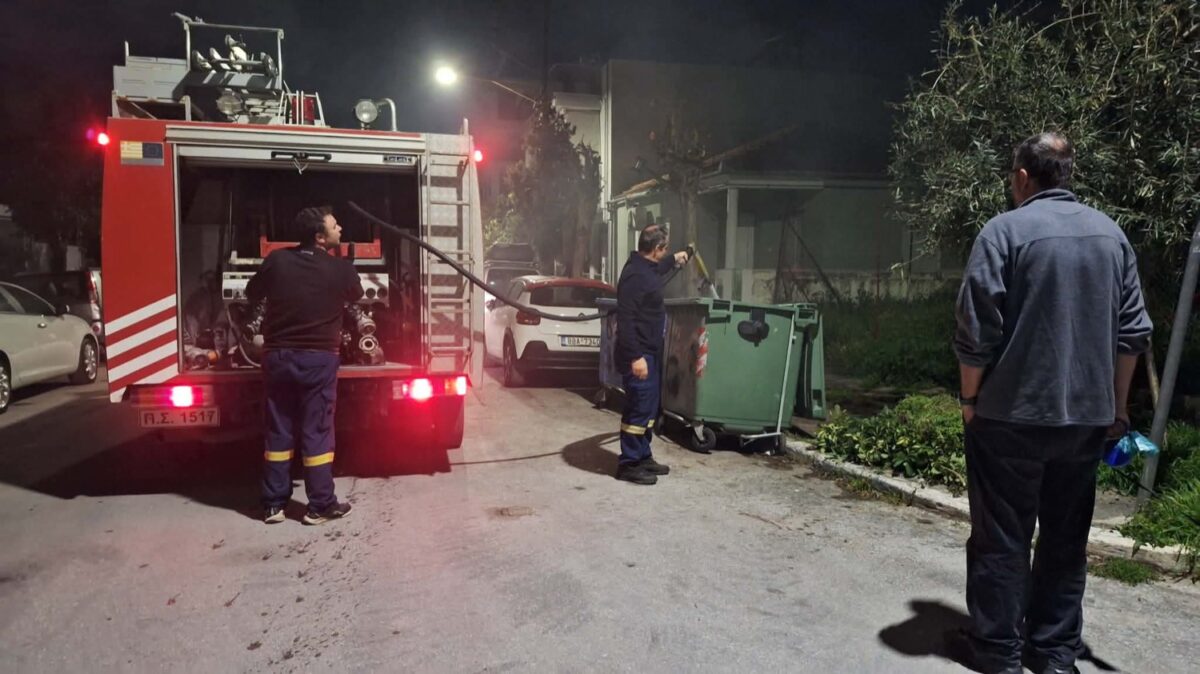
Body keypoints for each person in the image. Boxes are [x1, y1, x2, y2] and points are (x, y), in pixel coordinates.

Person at [952, 132, 1152, 674]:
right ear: (1067, 175)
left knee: (1001, 538)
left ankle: (998, 652)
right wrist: (1117, 409)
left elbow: (976, 330)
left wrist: (970, 398)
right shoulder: (1110, 236)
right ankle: (1054, 654)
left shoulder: (1003, 232)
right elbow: (1133, 333)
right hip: (1085, 421)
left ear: (1022, 177)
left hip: (1008, 418)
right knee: (1065, 541)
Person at [246, 206, 364, 525]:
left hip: (278, 357)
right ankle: (320, 505)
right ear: (320, 237)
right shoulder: (340, 269)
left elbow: (252, 292)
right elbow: (356, 294)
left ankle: (273, 505)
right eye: (334, 226)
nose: (340, 228)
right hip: (318, 360)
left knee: (279, 428)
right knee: (317, 431)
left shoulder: (277, 261)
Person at [613, 225, 689, 485]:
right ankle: (629, 463)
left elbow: (658, 268)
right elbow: (625, 320)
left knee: (648, 409)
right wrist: (636, 357)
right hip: (640, 355)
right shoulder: (635, 276)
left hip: (651, 352)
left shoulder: (646, 267)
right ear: (656, 248)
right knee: (638, 409)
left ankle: (643, 456)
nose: (665, 252)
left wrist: (676, 258)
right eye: (665, 249)